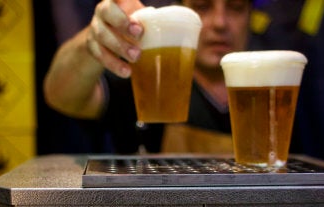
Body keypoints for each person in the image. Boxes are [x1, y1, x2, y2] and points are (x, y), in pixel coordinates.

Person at [43, 0, 252, 154]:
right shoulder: (147, 78)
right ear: (179, 12)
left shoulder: (273, 87)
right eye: (202, 7)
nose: (220, 23)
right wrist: (92, 41)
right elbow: (60, 95)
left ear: (250, 16)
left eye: (236, 8)